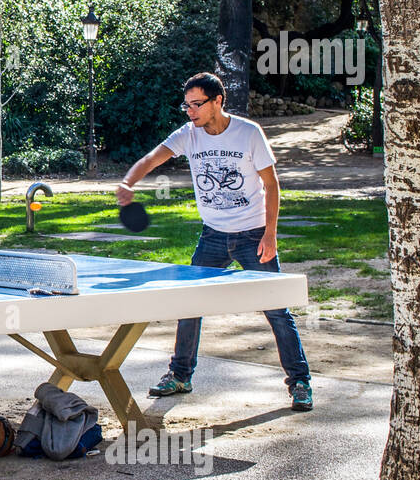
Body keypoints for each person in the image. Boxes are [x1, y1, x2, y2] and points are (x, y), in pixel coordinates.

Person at [115, 72, 313, 412]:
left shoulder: (249, 133)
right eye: (187, 105)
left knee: (277, 309)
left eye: (197, 104)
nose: (190, 112)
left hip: (253, 235)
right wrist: (128, 182)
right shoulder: (188, 135)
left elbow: (271, 184)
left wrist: (270, 233)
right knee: (190, 303)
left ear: (217, 101)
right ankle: (180, 375)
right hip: (213, 236)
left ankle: (300, 382)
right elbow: (153, 158)